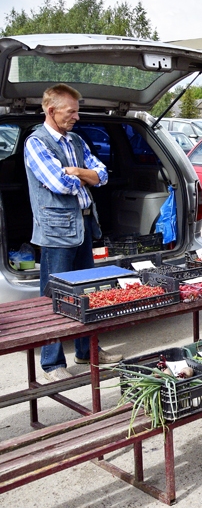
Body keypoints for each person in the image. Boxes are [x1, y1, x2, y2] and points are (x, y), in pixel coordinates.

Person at [24, 84, 122, 381]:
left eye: (77, 111)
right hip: (56, 233)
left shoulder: (76, 141)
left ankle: (86, 352)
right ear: (51, 111)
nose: (77, 117)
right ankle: (52, 364)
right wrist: (82, 175)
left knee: (85, 293)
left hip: (82, 226)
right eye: (72, 111)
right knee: (54, 298)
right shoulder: (36, 143)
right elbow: (59, 184)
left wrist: (77, 172)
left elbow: (102, 175)